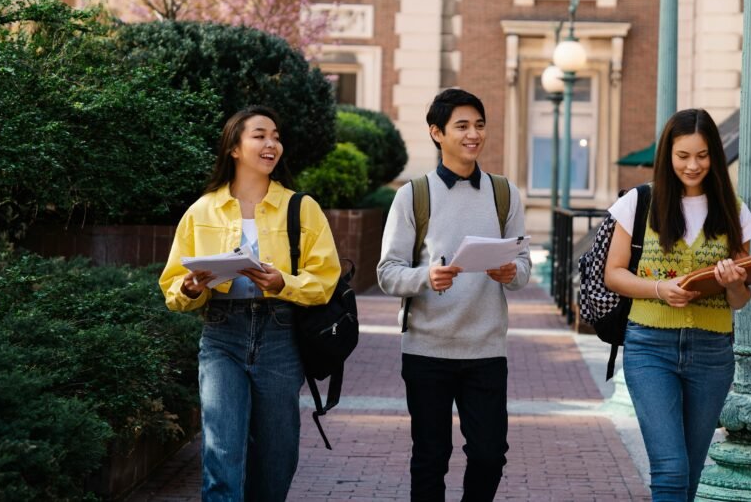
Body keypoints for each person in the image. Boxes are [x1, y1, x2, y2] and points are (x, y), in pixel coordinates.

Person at [159, 106, 341, 502]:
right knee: (221, 453)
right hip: (222, 334)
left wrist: (283, 282)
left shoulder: (301, 207)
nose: (271, 143)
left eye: (275, 136)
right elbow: (174, 284)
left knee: (276, 458)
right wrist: (191, 289)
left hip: (280, 336)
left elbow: (325, 280)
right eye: (259, 135)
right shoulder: (202, 210)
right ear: (234, 148)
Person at [377, 88, 531, 502]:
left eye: (479, 125)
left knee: (489, 455)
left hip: (485, 349)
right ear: (437, 133)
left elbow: (524, 268)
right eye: (461, 126)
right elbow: (387, 273)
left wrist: (510, 271)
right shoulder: (413, 195)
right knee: (431, 456)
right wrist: (426, 277)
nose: (473, 135)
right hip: (427, 349)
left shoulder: (504, 193)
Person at [604, 108, 751, 502]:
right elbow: (614, 274)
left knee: (689, 476)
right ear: (667, 155)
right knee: (671, 471)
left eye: (703, 156)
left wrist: (734, 283)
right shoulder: (639, 202)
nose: (693, 165)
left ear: (715, 157)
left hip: (712, 353)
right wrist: (660, 290)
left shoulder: (734, 211)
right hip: (649, 347)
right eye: (683, 156)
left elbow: (740, 301)